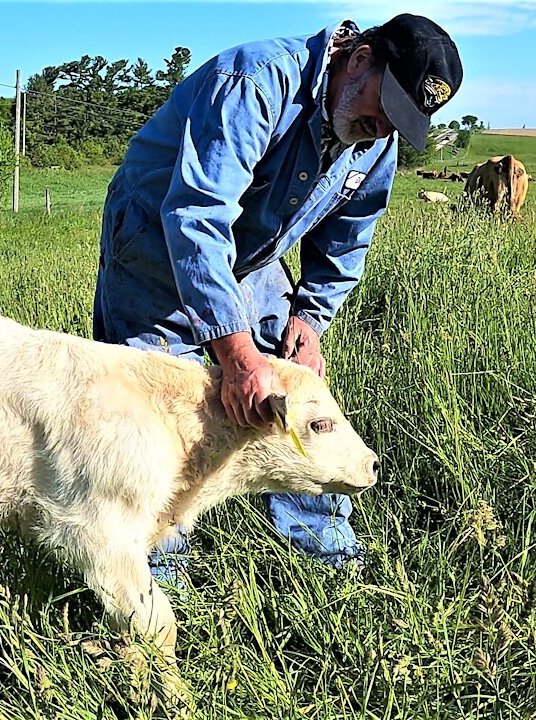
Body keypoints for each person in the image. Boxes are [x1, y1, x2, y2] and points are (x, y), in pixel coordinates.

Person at [93, 14, 463, 584]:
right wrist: (237, 356)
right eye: (381, 104)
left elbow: (346, 238)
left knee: (295, 393)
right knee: (159, 417)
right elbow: (195, 216)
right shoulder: (257, 82)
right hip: (152, 248)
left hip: (250, 259)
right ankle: (155, 588)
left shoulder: (374, 140)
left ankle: (327, 562)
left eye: (398, 120)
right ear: (358, 59)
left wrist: (310, 318)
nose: (381, 125)